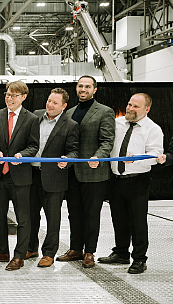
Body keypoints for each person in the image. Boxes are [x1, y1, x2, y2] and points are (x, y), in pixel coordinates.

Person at [99, 93, 163, 274]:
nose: (130, 109)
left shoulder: (153, 129)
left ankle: (140, 259)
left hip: (137, 180)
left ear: (147, 109)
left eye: (136, 106)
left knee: (137, 221)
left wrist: (136, 161)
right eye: (129, 104)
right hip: (116, 179)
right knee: (118, 218)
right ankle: (121, 252)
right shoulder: (118, 123)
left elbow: (156, 155)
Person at [57, 76, 115, 268]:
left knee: (91, 214)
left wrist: (98, 157)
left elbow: (107, 140)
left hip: (94, 173)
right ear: (76, 88)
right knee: (74, 213)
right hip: (72, 172)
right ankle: (75, 248)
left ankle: (89, 252)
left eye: (87, 86)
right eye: (80, 86)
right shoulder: (70, 112)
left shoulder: (105, 112)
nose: (83, 89)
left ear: (94, 89)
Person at [0, 81, 39, 271]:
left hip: (20, 177)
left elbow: (34, 146)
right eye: (7, 94)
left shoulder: (31, 119)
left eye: (14, 95)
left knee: (23, 219)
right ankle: (2, 251)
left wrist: (22, 156)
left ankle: (19, 255)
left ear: (23, 97)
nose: (9, 98)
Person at [28, 88, 79, 268]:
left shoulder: (70, 125)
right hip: (32, 174)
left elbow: (74, 150)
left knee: (53, 219)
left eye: (55, 102)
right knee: (30, 216)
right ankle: (31, 247)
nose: (50, 104)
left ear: (64, 106)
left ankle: (49, 253)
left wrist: (68, 160)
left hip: (54, 178)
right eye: (49, 100)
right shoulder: (35, 116)